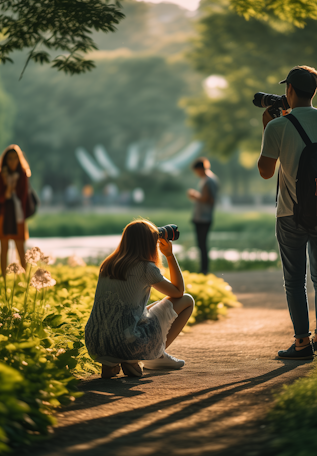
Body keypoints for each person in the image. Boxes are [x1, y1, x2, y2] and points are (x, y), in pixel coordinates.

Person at [257, 65, 317, 360]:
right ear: (315, 91)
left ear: (290, 90)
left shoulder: (277, 126)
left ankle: (301, 343)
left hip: (290, 214)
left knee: (295, 281)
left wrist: (268, 126)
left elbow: (266, 172)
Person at [84, 220, 194, 378]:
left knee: (148, 308)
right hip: (128, 341)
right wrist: (169, 255)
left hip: (96, 342)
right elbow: (178, 292)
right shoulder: (145, 268)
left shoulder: (108, 264)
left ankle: (111, 363)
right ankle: (154, 354)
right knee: (187, 300)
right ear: (149, 243)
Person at [0, 144, 31, 276]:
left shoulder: (23, 175)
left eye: (15, 158)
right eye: (10, 158)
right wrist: (7, 184)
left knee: (21, 248)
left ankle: (25, 279)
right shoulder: (0, 175)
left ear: (19, 159)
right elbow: (0, 197)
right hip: (3, 214)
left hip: (18, 215)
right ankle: (3, 278)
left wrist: (12, 186)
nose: (12, 161)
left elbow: (24, 198)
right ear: (5, 160)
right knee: (3, 248)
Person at [187, 157, 219, 274]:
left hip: (203, 218)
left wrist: (195, 196)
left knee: (202, 244)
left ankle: (204, 270)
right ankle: (203, 269)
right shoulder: (208, 179)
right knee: (201, 244)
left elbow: (209, 199)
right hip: (201, 216)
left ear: (200, 169)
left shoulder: (209, 180)